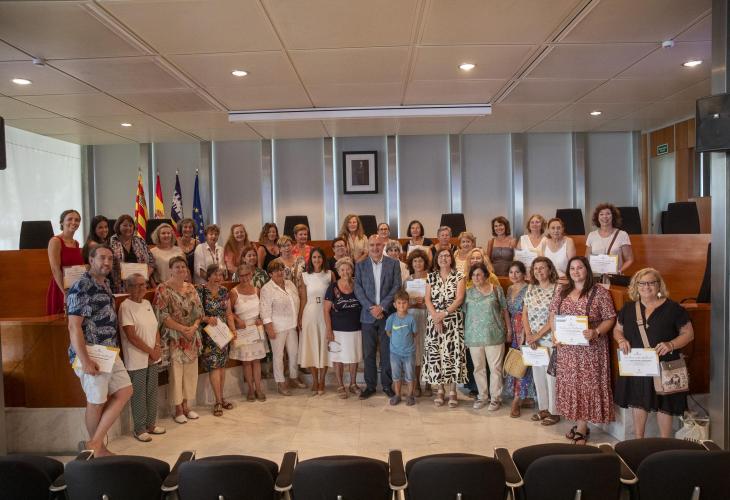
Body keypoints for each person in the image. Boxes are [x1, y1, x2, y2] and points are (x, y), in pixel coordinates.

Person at [614, 268, 695, 438]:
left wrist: (671, 344)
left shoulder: (673, 308)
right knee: (638, 401)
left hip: (665, 364)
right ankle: (639, 441)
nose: (646, 287)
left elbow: (688, 334)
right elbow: (617, 330)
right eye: (642, 283)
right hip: (638, 364)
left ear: (659, 285)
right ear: (636, 286)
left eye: (651, 282)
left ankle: (665, 442)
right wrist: (621, 340)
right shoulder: (628, 308)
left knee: (665, 405)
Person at [66, 245, 132, 456]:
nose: (107, 262)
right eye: (102, 258)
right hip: (91, 352)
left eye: (110, 259)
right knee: (96, 402)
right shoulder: (82, 286)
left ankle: (93, 443)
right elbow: (74, 326)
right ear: (91, 260)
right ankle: (98, 449)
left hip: (109, 351)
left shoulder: (105, 284)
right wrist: (85, 360)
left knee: (125, 391)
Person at [549, 256, 617, 444]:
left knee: (586, 385)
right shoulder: (561, 291)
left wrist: (596, 332)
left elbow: (610, 318)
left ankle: (582, 427)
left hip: (591, 350)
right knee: (572, 384)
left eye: (579, 267)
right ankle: (579, 423)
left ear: (587, 269)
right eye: (572, 268)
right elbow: (553, 314)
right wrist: (555, 334)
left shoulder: (600, 292)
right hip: (567, 350)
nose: (576, 271)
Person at [154, 256, 203, 424]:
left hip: (191, 336)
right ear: (170, 269)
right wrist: (182, 329)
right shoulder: (163, 288)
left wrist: (194, 327)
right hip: (174, 337)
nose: (181, 269)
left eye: (183, 266)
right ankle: (178, 409)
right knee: (176, 374)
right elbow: (162, 315)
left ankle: (187, 406)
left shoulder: (191, 287)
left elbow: (199, 312)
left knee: (190, 373)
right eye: (177, 267)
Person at [354, 234, 402, 399]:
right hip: (367, 316)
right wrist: (371, 308)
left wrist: (382, 307)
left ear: (383, 246)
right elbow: (358, 289)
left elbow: (397, 286)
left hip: (387, 315)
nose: (375, 248)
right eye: (372, 245)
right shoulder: (360, 265)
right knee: (368, 353)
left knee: (387, 352)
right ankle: (370, 386)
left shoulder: (393, 263)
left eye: (378, 245)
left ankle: (387, 385)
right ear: (368, 247)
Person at [119, 273, 165, 442]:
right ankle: (139, 429)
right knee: (139, 394)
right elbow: (131, 336)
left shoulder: (146, 303)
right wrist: (150, 352)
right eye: (136, 285)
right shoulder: (125, 306)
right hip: (136, 359)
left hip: (152, 356)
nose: (140, 288)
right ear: (128, 288)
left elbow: (155, 328)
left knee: (152, 392)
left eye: (143, 284)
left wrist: (157, 348)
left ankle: (151, 424)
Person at [464, 262, 510, 411]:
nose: (476, 277)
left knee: (495, 368)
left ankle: (496, 398)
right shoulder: (468, 293)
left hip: (494, 335)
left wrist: (509, 330)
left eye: (479, 274)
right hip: (474, 336)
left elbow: (504, 310)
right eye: (473, 275)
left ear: (486, 275)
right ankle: (482, 396)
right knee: (478, 368)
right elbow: (464, 314)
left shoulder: (496, 290)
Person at [423, 247, 466, 408]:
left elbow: (459, 299)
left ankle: (453, 390)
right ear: (436, 259)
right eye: (441, 256)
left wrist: (444, 314)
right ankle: (440, 389)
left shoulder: (459, 276)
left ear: (451, 259)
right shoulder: (431, 276)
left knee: (452, 354)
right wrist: (436, 316)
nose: (444, 258)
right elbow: (427, 299)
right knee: (437, 355)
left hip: (452, 321)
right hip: (434, 320)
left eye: (447, 256)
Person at [523, 257, 560, 426]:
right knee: (538, 376)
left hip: (548, 339)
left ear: (550, 269)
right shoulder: (531, 287)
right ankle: (543, 408)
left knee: (551, 377)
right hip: (533, 340)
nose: (538, 271)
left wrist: (537, 335)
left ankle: (555, 412)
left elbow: (554, 317)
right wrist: (528, 335)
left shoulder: (557, 289)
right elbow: (525, 313)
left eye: (542, 268)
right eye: (535, 268)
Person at [197, 265, 237, 416]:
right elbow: (196, 313)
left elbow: (229, 313)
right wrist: (207, 318)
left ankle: (221, 397)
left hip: (223, 333)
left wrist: (233, 329)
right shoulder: (200, 290)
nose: (218, 278)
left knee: (221, 366)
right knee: (214, 366)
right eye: (215, 274)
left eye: (220, 275)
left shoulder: (224, 291)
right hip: (209, 334)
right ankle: (218, 401)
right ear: (208, 276)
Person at [260, 259, 304, 395]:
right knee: (278, 356)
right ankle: (280, 383)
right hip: (277, 327)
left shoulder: (290, 284)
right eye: (275, 271)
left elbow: (296, 301)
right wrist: (269, 328)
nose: (279, 272)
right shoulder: (267, 289)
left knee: (294, 353)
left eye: (281, 269)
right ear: (270, 274)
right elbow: (264, 310)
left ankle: (293, 377)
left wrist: (298, 319)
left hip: (292, 325)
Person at [324, 257, 363, 399]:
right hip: (337, 330)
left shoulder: (358, 285)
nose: (345, 272)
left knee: (354, 357)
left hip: (356, 328)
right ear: (338, 271)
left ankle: (353, 384)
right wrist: (329, 330)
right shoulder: (332, 287)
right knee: (337, 357)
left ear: (352, 270)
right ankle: (340, 385)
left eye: (348, 269)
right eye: (342, 270)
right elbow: (326, 310)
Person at [298, 248, 334, 395]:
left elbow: (334, 296)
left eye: (319, 257)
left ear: (323, 259)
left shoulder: (329, 274)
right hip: (310, 313)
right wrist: (300, 316)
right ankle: (314, 380)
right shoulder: (305, 276)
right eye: (314, 257)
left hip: (325, 313)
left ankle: (322, 380)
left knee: (324, 346)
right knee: (311, 346)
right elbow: (303, 298)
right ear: (310, 259)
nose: (317, 260)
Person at [503, 261, 536, 417]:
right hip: (514, 328)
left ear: (524, 274)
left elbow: (530, 311)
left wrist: (524, 331)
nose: (514, 275)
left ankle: (517, 399)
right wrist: (509, 329)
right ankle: (524, 397)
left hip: (526, 328)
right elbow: (506, 311)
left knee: (525, 364)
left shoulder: (529, 288)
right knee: (516, 362)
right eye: (511, 272)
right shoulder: (509, 289)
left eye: (517, 272)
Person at [230, 263, 267, 402]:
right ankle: (250, 390)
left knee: (256, 361)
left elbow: (263, 308)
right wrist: (237, 320)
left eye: (247, 275)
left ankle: (259, 389)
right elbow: (228, 312)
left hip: (256, 329)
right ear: (238, 277)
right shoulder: (234, 292)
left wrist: (260, 319)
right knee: (246, 362)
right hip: (242, 330)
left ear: (251, 274)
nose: (245, 278)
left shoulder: (257, 290)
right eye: (242, 276)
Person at [47, 209, 84, 314]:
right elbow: (55, 269)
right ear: (62, 222)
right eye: (70, 219)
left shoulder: (76, 243)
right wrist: (65, 293)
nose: (74, 222)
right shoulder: (55, 241)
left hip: (75, 288)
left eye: (77, 220)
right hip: (61, 288)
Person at [385, 290, 418, 406]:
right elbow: (388, 332)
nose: (402, 305)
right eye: (399, 303)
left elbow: (414, 333)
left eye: (404, 303)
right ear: (395, 305)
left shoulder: (411, 319)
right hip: (395, 353)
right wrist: (396, 341)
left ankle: (410, 395)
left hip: (409, 353)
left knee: (410, 375)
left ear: (408, 304)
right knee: (396, 375)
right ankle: (397, 395)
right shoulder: (391, 318)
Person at [404, 248, 429, 397]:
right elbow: (402, 302)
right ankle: (417, 383)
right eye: (415, 261)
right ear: (411, 263)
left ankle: (429, 383)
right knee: (416, 351)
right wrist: (412, 302)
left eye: (420, 261)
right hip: (413, 317)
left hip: (427, 316)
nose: (418, 263)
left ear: (425, 263)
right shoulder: (407, 280)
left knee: (429, 349)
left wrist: (426, 303)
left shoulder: (431, 278)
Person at [109, 214, 155, 293]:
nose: (128, 228)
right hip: (120, 286)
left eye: (130, 225)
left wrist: (146, 274)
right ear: (118, 226)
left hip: (141, 284)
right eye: (125, 225)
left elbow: (152, 261)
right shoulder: (111, 242)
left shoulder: (140, 241)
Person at [585, 203, 634, 276]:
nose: (605, 216)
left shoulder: (622, 235)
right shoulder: (591, 235)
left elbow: (629, 259)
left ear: (613, 216)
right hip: (596, 277)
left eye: (608, 214)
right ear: (597, 217)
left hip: (615, 277)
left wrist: (619, 271)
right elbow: (586, 258)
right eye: (601, 214)